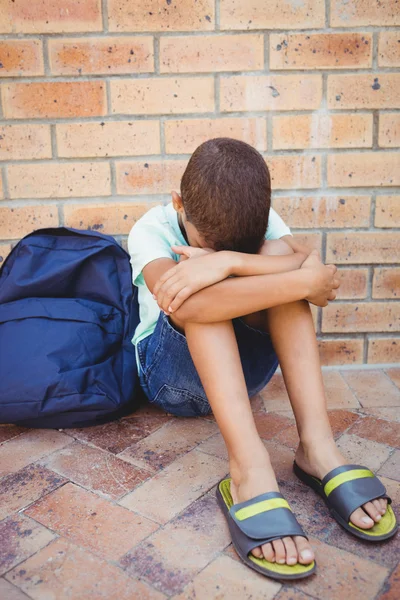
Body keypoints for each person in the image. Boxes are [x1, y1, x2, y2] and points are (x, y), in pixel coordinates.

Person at [127, 138, 396, 580]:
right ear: (178, 203)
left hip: (244, 376)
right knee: (203, 290)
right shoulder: (150, 229)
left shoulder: (261, 221)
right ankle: (249, 471)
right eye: (206, 245)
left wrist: (226, 261)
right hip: (171, 378)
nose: (215, 255)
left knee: (274, 262)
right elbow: (192, 306)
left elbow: (306, 266)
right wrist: (293, 278)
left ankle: (318, 448)